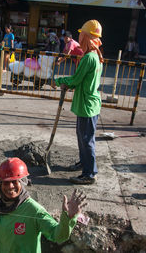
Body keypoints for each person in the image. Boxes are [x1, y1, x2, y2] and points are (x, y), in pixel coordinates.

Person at [0, 158, 87, 252]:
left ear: (23, 182)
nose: (10, 186)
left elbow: (58, 236)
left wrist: (68, 218)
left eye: (14, 181)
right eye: (5, 182)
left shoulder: (34, 210)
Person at [54, 20, 104, 185]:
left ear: (87, 37)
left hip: (87, 106)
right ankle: (84, 163)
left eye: (81, 34)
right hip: (88, 104)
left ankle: (90, 173)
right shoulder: (95, 56)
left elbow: (75, 79)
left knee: (86, 139)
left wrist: (59, 80)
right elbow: (82, 80)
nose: (79, 37)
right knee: (82, 137)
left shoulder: (89, 57)